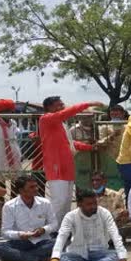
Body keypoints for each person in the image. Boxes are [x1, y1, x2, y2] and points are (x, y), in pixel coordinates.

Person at [39, 96, 101, 224]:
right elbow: (66, 113)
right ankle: (52, 228)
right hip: (56, 167)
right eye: (59, 105)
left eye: (63, 104)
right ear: (49, 107)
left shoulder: (61, 124)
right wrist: (88, 103)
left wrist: (91, 147)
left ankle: (63, 228)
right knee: (59, 200)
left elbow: (70, 143)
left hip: (67, 167)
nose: (62, 107)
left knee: (66, 202)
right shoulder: (46, 119)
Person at [50, 189, 129, 261]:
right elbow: (61, 237)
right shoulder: (70, 216)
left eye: (95, 203)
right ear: (79, 204)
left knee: (117, 256)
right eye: (89, 204)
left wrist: (123, 258)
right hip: (77, 253)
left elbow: (115, 235)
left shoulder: (104, 213)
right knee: (59, 259)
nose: (94, 206)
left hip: (100, 252)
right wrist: (54, 260)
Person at [0, 175, 57, 261]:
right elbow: (5, 231)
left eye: (36, 186)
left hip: (41, 240)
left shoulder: (45, 203)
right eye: (32, 187)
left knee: (59, 242)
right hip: (20, 242)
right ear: (21, 190)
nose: (36, 189)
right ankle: (39, 259)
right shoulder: (9, 206)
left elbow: (54, 224)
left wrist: (43, 229)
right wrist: (20, 234)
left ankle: (17, 257)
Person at [91, 170, 131, 235]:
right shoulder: (87, 196)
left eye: (98, 180)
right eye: (92, 180)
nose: (94, 182)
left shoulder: (115, 195)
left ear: (104, 182)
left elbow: (120, 213)